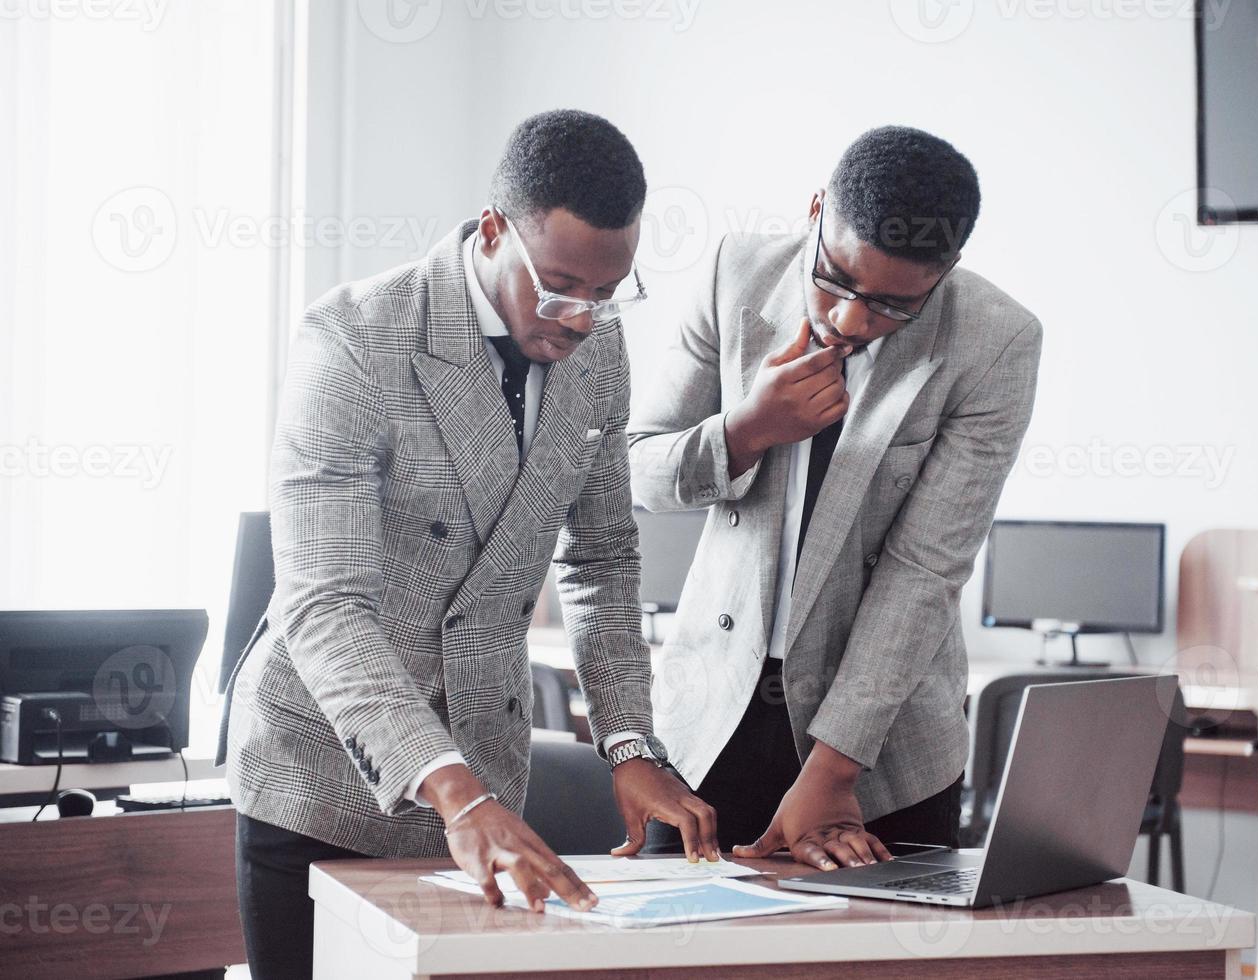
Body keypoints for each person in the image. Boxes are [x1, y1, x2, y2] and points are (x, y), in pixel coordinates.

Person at [219, 109, 717, 979]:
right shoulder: (355, 339)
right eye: (562, 287)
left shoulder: (599, 352)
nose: (583, 319)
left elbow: (601, 558)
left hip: (488, 772)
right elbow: (325, 605)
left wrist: (631, 745)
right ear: (493, 232)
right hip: (324, 775)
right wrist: (455, 791)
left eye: (610, 293)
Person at [627, 126, 1042, 871]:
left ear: (945, 272)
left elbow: (924, 571)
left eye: (891, 306)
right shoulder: (735, 274)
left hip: (882, 750)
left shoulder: (995, 341)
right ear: (815, 211)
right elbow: (639, 473)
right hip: (707, 722)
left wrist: (833, 769)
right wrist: (745, 431)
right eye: (837, 280)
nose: (851, 320)